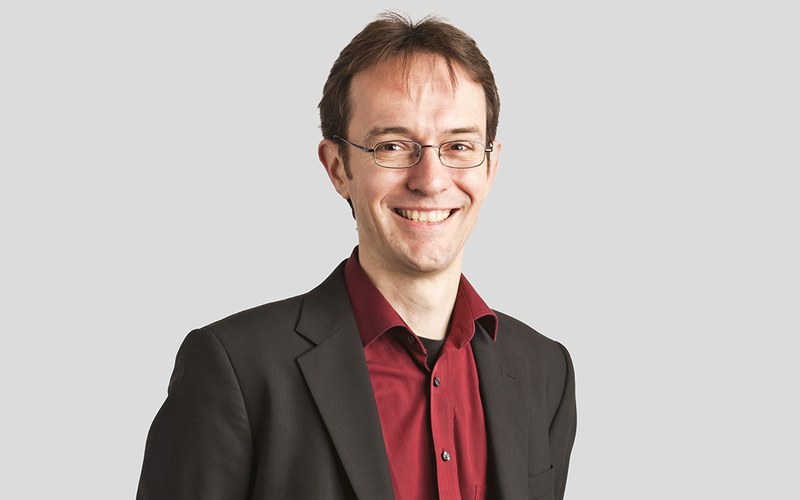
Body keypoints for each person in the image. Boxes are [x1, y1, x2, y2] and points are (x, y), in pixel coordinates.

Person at [137, 11, 576, 500]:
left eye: (458, 146)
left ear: (490, 167)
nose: (431, 180)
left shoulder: (545, 372)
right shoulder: (236, 370)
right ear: (338, 168)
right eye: (393, 146)